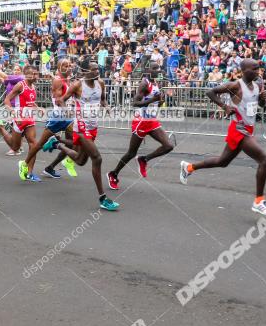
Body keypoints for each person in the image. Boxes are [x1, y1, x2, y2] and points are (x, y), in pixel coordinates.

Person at [179, 59, 266, 216]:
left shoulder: (257, 86)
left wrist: (263, 99)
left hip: (248, 129)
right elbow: (210, 92)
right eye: (255, 69)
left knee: (222, 162)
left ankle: (189, 167)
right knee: (265, 160)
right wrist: (224, 106)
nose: (258, 71)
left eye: (259, 68)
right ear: (244, 71)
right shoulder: (235, 85)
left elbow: (261, 105)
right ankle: (259, 201)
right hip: (239, 130)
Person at [51, 62, 120, 212]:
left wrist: (107, 107)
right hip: (81, 127)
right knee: (97, 158)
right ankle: (103, 198)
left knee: (81, 160)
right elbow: (61, 99)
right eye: (93, 69)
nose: (97, 71)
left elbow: (102, 99)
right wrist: (67, 112)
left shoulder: (100, 83)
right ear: (85, 70)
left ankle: (57, 144)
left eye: (97, 68)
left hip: (93, 126)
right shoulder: (77, 85)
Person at [107, 62, 173, 189]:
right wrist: (153, 100)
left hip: (152, 120)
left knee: (168, 146)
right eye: (154, 68)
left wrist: (161, 101)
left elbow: (156, 104)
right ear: (147, 70)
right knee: (131, 153)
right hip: (141, 121)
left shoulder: (156, 83)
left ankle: (144, 159)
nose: (157, 70)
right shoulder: (145, 83)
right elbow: (135, 103)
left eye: (158, 68)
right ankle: (113, 174)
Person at [21, 58, 78, 180]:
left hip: (67, 118)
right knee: (39, 144)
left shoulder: (67, 80)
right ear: (59, 68)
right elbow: (58, 100)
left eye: (69, 65)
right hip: (58, 117)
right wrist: (67, 110)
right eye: (65, 66)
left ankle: (50, 165)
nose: (68, 68)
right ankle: (24, 164)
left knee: (74, 144)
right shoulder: (58, 80)